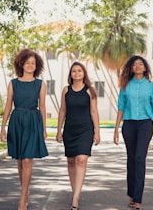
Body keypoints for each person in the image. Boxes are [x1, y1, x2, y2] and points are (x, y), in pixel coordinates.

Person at [113, 55, 153, 210]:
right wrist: (116, 129)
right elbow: (121, 107)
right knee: (131, 159)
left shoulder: (150, 86)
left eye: (140, 64)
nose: (137, 66)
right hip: (128, 125)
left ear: (145, 68)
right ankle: (131, 194)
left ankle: (138, 199)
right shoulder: (124, 85)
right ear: (131, 67)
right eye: (134, 64)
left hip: (145, 125)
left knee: (139, 158)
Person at [0, 48, 48, 210]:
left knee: (28, 159)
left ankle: (23, 199)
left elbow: (42, 106)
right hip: (17, 120)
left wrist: (44, 129)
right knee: (20, 160)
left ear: (37, 66)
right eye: (27, 63)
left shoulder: (40, 84)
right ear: (21, 64)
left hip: (33, 121)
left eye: (33, 63)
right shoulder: (13, 83)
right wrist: (2, 127)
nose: (30, 65)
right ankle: (25, 192)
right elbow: (8, 105)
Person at [56, 61, 100, 210]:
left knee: (81, 160)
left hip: (85, 129)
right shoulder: (66, 90)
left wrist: (97, 131)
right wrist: (58, 130)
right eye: (74, 71)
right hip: (69, 130)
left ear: (84, 73)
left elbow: (94, 112)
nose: (76, 73)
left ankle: (76, 198)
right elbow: (62, 110)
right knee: (70, 161)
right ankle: (75, 190)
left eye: (79, 71)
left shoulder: (90, 91)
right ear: (71, 74)